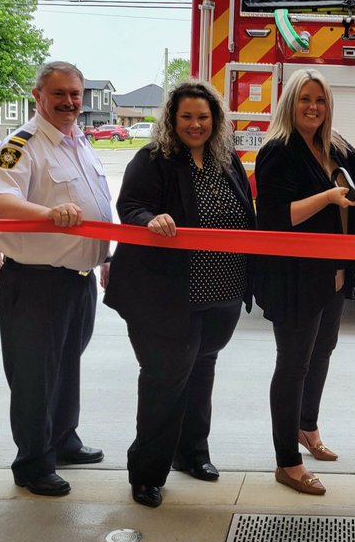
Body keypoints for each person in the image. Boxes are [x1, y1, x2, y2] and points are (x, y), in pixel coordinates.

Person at [104, 80, 255, 508]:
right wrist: (151, 219)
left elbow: (247, 214)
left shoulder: (228, 162)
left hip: (220, 294)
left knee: (201, 372)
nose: (195, 124)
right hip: (165, 297)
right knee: (165, 380)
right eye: (187, 117)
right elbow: (130, 206)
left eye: (203, 117)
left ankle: (192, 455)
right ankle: (147, 473)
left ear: (216, 121)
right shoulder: (153, 159)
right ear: (172, 119)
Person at [0, 61, 111, 498]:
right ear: (38, 96)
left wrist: (104, 256)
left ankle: (62, 440)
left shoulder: (80, 142)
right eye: (59, 95)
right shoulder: (22, 145)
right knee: (36, 374)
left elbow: (95, 205)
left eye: (75, 94)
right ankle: (33, 462)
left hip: (79, 279)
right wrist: (47, 215)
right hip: (36, 282)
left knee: (66, 366)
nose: (70, 103)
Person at [254, 68, 355, 496]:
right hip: (295, 277)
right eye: (306, 99)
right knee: (292, 365)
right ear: (291, 102)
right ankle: (286, 463)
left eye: (321, 101)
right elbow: (276, 217)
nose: (314, 107)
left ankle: (307, 429)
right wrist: (328, 197)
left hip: (336, 272)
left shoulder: (336, 145)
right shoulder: (278, 151)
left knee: (321, 353)